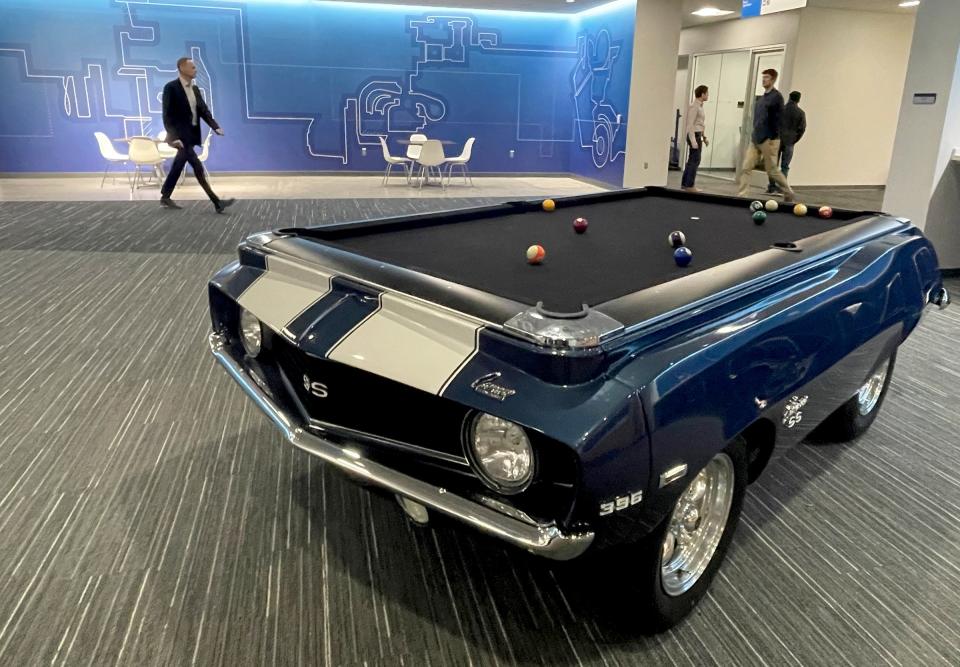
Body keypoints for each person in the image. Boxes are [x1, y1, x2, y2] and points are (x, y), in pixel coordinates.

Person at [160, 57, 235, 213]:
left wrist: (215, 126)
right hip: (180, 138)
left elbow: (203, 111)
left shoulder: (195, 90)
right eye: (193, 67)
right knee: (198, 168)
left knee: (177, 166)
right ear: (182, 68)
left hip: (191, 136)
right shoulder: (171, 88)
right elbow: (167, 115)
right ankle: (217, 202)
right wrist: (173, 138)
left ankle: (165, 197)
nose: (196, 70)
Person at [736, 68, 794, 202]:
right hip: (756, 138)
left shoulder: (777, 97)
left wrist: (772, 137)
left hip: (770, 140)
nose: (764, 80)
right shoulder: (762, 98)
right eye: (763, 77)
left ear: (773, 79)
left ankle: (788, 192)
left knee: (771, 170)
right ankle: (742, 195)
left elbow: (778, 120)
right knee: (746, 166)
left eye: (767, 77)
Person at [767, 90, 806, 194]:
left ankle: (771, 187)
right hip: (789, 142)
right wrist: (794, 140)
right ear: (798, 100)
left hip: (777, 139)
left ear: (789, 97)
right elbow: (802, 129)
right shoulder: (801, 113)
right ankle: (782, 187)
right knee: (785, 166)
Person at [681, 85, 709, 192]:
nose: (708, 95)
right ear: (702, 94)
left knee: (692, 160)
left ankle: (685, 184)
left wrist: (704, 137)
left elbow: (700, 124)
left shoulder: (700, 107)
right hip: (693, 136)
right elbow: (690, 124)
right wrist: (693, 140)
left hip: (697, 135)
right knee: (695, 160)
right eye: (707, 93)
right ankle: (689, 185)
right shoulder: (694, 106)